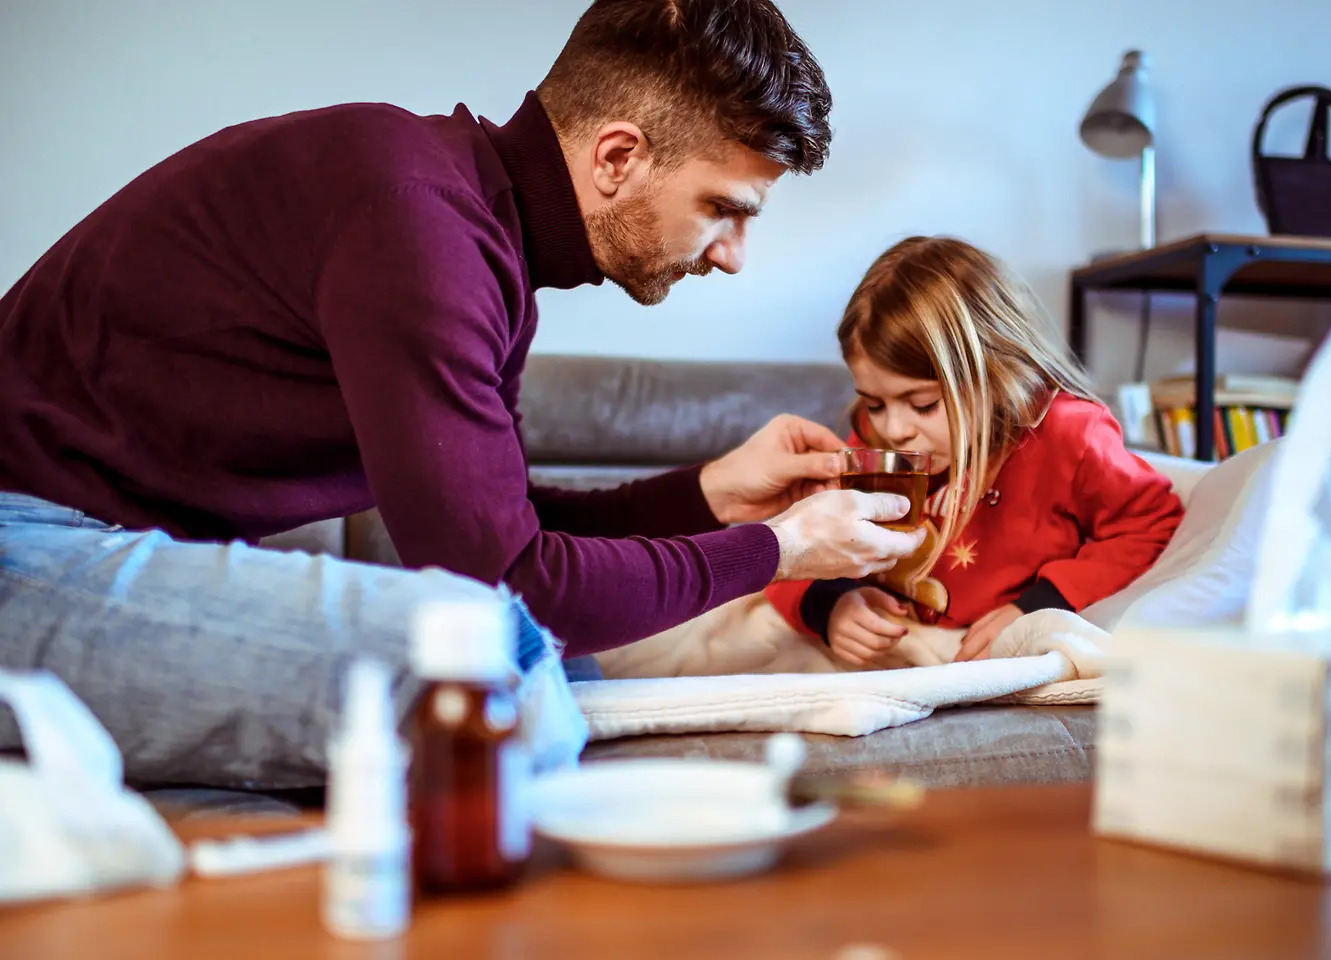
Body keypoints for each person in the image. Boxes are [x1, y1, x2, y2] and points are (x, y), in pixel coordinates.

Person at [0, 0, 924, 787]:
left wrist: (711, 495)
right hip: (22, 545)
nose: (731, 256)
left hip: (107, 546)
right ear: (617, 157)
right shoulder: (418, 223)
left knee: (548, 667)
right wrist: (777, 550)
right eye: (722, 209)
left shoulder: (479, 241)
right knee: (495, 669)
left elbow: (501, 529)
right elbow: (510, 584)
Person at [765, 236, 1186, 668]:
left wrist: (1042, 604)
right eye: (875, 403)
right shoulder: (874, 441)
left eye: (923, 404)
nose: (893, 430)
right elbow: (793, 541)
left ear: (995, 373)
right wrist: (831, 604)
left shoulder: (1067, 433)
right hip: (893, 650)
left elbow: (1150, 523)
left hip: (978, 655)